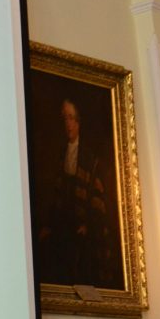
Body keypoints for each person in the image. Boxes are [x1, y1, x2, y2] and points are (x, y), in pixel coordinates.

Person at [37, 98, 115, 287]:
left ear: (79, 121)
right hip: (64, 222)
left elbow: (97, 202)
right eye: (65, 118)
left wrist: (88, 225)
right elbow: (57, 195)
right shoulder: (62, 154)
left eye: (71, 118)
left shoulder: (89, 159)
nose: (68, 124)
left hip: (84, 226)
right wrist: (49, 224)